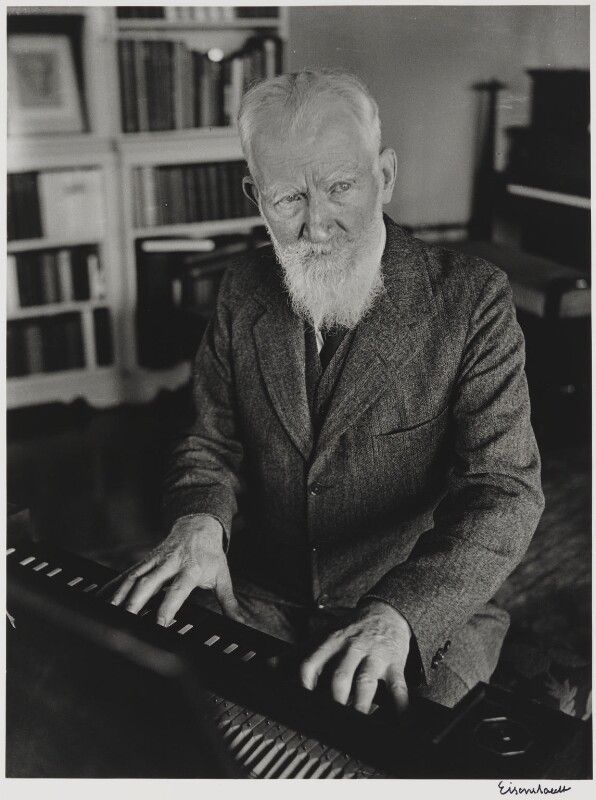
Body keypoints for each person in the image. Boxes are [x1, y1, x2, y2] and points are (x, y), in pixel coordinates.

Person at [109, 69, 544, 714]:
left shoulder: (471, 299)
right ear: (256, 197)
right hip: (257, 594)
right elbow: (210, 442)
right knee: (159, 713)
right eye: (289, 198)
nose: (316, 225)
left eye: (340, 187)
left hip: (413, 607)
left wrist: (402, 613)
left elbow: (505, 491)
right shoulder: (242, 287)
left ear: (385, 177)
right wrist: (199, 519)